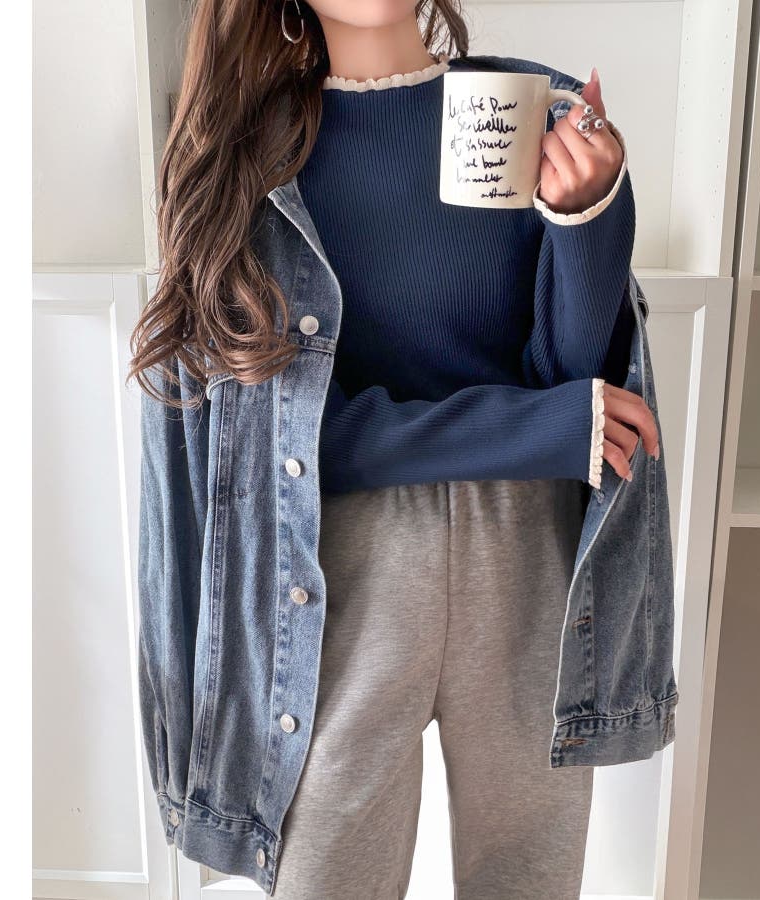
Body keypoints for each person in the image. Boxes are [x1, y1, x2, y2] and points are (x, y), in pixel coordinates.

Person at [129, 1, 663, 897]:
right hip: (334, 563)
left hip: (526, 548)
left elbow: (576, 378)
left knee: (528, 875)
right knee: (325, 871)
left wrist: (586, 217)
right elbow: (294, 434)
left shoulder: (542, 110)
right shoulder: (247, 158)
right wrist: (535, 429)